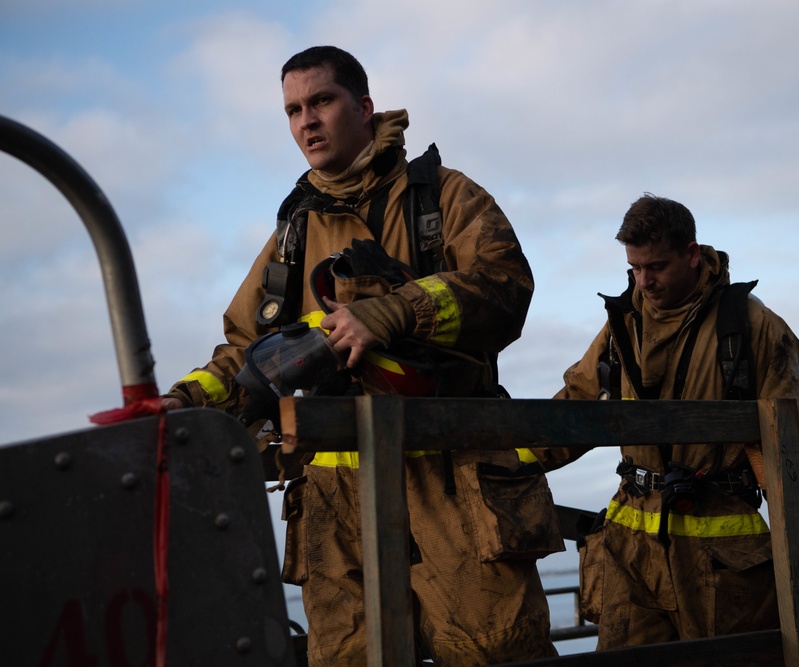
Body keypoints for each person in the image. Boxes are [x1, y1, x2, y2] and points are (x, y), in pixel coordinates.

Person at [162, 45, 562, 665]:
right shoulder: (292, 234)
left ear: (366, 107)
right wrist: (182, 403)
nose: (306, 122)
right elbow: (248, 350)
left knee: (495, 652)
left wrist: (395, 310)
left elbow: (505, 287)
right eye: (293, 110)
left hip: (452, 483)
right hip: (333, 502)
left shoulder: (444, 198)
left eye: (321, 101)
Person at [530, 194, 799, 648]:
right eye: (634, 268)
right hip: (632, 551)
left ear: (692, 254)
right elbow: (577, 404)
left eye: (655, 266)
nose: (644, 281)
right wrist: (501, 461)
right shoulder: (623, 324)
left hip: (721, 559)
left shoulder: (754, 328)